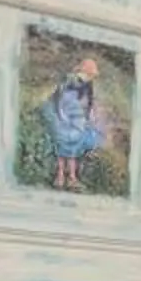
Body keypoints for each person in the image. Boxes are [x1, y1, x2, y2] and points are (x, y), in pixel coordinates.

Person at [43, 56, 109, 191]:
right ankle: (60, 176)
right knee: (62, 146)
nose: (91, 78)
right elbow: (57, 100)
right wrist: (61, 116)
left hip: (77, 119)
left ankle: (72, 177)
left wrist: (89, 117)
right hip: (63, 117)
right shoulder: (67, 82)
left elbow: (88, 105)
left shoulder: (88, 86)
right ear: (82, 72)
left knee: (74, 148)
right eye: (89, 74)